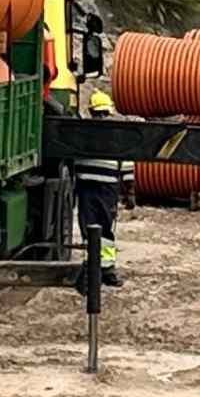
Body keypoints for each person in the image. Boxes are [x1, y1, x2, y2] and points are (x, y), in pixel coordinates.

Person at [75, 91, 130, 287]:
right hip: (106, 188)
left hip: (88, 187)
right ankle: (104, 269)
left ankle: (99, 269)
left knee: (92, 227)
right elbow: (127, 164)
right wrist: (128, 191)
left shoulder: (83, 131)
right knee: (104, 228)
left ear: (91, 110)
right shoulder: (118, 133)